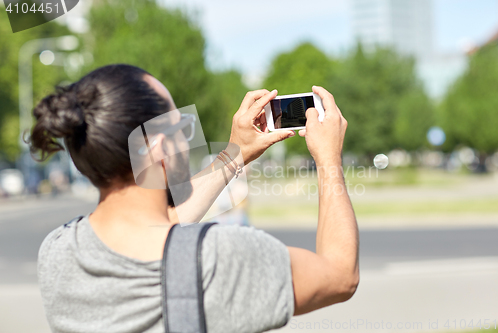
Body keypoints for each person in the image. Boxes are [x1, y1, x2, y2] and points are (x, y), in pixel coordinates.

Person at [30, 64, 359, 333]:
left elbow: (162, 226)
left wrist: (235, 155)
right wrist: (328, 160)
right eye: (182, 126)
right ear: (159, 148)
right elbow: (340, 275)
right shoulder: (221, 257)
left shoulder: (59, 251)